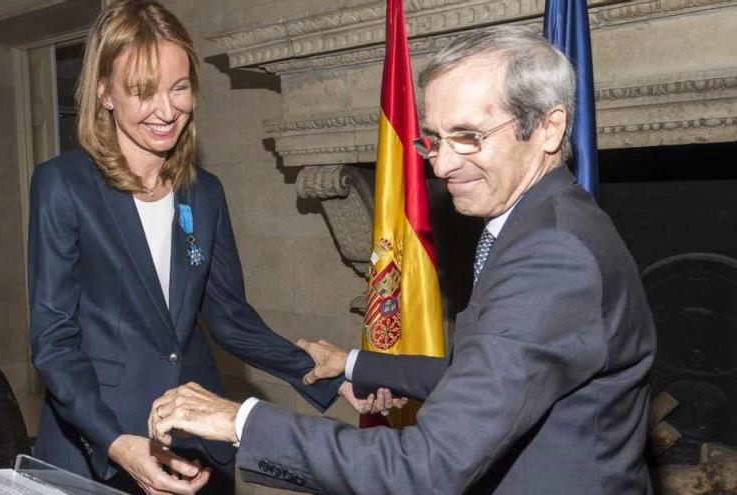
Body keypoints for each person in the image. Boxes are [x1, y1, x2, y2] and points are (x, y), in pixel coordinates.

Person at [148, 25, 657, 494]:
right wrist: (352, 363)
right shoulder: (544, 220)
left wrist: (240, 421)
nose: (442, 163)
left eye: (469, 136)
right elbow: (490, 373)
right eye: (433, 139)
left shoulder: (552, 255)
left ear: (548, 129)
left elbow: (426, 468)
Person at [27, 2, 347, 494]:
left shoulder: (205, 191)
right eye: (142, 92)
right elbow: (54, 341)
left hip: (193, 441)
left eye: (179, 88)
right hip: (97, 446)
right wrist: (115, 442)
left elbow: (229, 317)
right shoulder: (62, 186)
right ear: (104, 92)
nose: (166, 109)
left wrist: (328, 377)